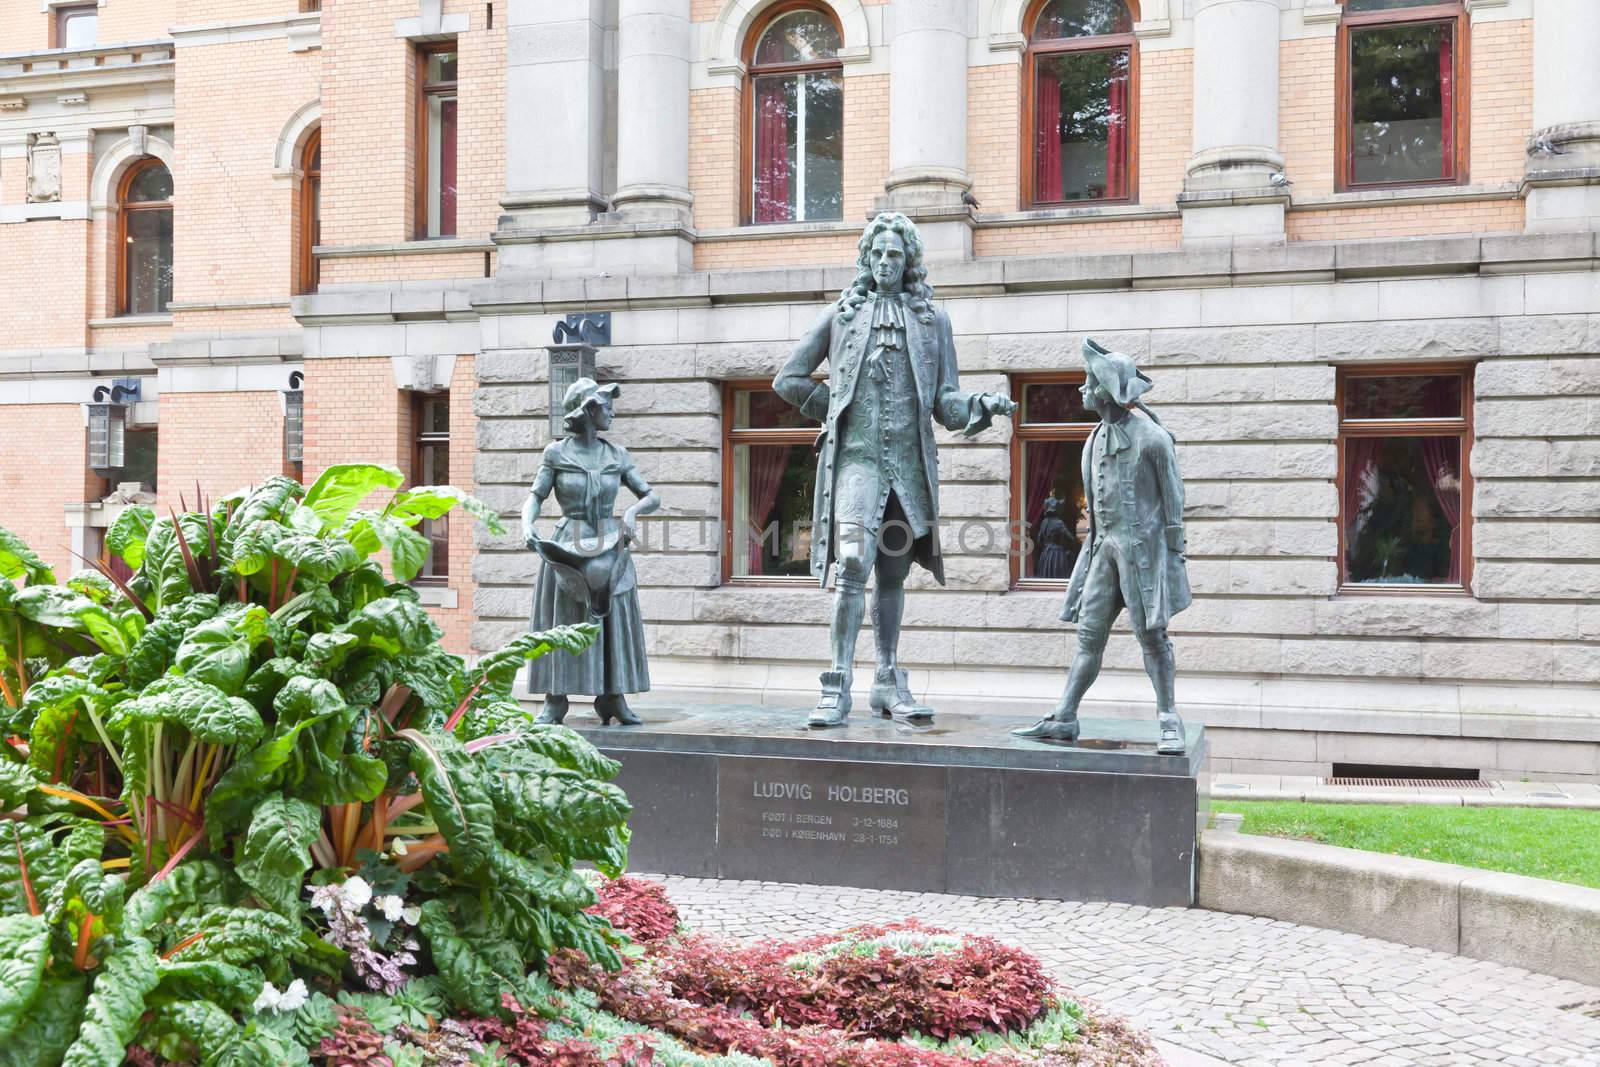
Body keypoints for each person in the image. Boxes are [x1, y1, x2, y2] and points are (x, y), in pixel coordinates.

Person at [772, 212, 1016, 728]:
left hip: (908, 467)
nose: (885, 262)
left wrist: (983, 405)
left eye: (895, 255)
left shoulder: (933, 323)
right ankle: (836, 683)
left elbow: (945, 405)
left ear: (909, 264)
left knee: (893, 573)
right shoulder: (842, 316)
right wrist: (833, 405)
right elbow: (788, 378)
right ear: (866, 259)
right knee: (854, 561)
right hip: (857, 462)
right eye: (878, 254)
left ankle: (886, 679)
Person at [1014, 340, 1192, 755]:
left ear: (1107, 392)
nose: (1081, 390)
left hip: (1143, 555)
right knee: (1088, 637)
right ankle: (1064, 716)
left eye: (1088, 383)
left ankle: (1168, 719)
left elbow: (1174, 503)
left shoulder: (1153, 440)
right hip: (1101, 552)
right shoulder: (1092, 440)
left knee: (1152, 636)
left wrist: (1173, 559)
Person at [521, 378, 661, 725]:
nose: (611, 412)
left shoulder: (616, 454)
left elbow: (650, 495)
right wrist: (527, 525)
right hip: (568, 543)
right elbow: (536, 496)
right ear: (586, 411)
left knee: (611, 618)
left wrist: (631, 512)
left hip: (609, 541)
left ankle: (613, 697)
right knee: (565, 619)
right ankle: (556, 699)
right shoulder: (556, 453)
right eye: (604, 405)